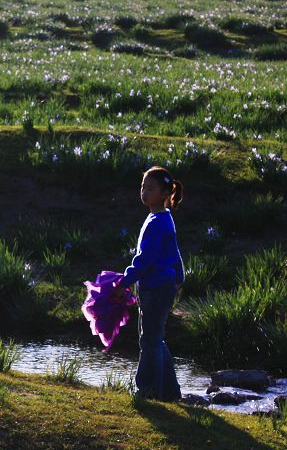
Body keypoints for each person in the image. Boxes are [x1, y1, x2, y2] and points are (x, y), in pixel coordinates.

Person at [112, 166, 185, 401]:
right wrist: (179, 277)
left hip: (155, 287)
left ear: (165, 193)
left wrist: (124, 281)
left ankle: (147, 390)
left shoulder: (158, 222)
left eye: (150, 188)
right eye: (143, 186)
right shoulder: (162, 218)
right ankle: (170, 392)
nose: (144, 192)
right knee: (156, 337)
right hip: (160, 286)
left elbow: (145, 260)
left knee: (149, 339)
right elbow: (175, 253)